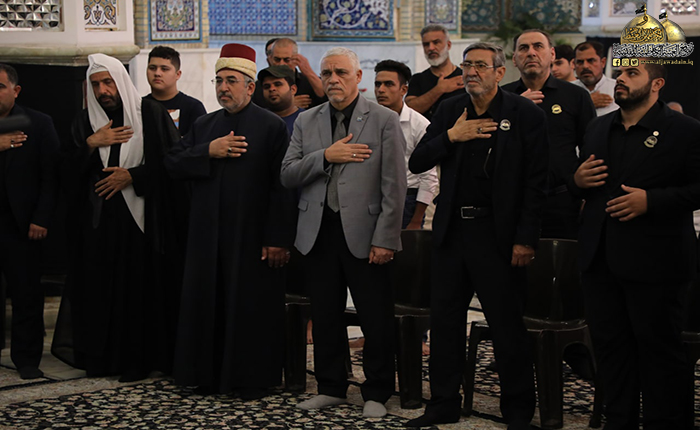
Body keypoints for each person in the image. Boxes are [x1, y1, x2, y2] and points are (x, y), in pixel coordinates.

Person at [406, 42, 548, 429]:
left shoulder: (524, 114)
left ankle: (517, 411)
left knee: (506, 326)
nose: (471, 72)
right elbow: (418, 160)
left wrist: (526, 238)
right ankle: (443, 404)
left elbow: (536, 182)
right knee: (445, 323)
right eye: (467, 65)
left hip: (499, 236)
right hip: (452, 233)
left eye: (480, 66)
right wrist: (453, 136)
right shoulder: (450, 110)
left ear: (500, 73)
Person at [570, 61, 700, 429]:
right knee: (611, 350)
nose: (621, 80)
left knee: (660, 353)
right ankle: (618, 421)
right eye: (620, 74)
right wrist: (576, 181)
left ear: (656, 84)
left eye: (632, 74)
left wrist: (652, 201)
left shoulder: (685, 130)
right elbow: (585, 188)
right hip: (601, 260)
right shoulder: (598, 128)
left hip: (657, 261)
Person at [280, 47, 406, 418]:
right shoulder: (306, 120)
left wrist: (386, 238)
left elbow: (395, 185)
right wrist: (325, 157)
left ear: (357, 77)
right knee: (325, 314)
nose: (333, 79)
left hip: (367, 233)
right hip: (317, 232)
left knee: (375, 316)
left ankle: (377, 391)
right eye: (326, 73)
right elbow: (287, 174)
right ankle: (331, 386)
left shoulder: (383, 119)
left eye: (341, 72)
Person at [165, 43, 297, 398]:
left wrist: (278, 238)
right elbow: (172, 162)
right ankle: (206, 376)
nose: (223, 88)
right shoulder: (205, 125)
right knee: (208, 303)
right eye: (219, 81)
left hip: (251, 238)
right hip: (207, 237)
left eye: (231, 81)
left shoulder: (271, 127)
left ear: (250, 87)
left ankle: (251, 379)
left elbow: (283, 186)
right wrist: (208, 151)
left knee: (250, 307)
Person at [52, 53, 184, 382]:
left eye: (108, 82)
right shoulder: (85, 121)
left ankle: (138, 361)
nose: (103, 91)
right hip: (98, 225)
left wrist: (133, 176)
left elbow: (173, 164)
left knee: (137, 292)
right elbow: (64, 173)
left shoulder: (149, 113)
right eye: (96, 84)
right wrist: (90, 144)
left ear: (121, 81)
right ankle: (103, 359)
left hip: (140, 223)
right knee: (101, 293)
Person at [502, 29, 595, 240]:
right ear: (514, 59)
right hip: (512, 202)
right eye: (523, 48)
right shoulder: (503, 98)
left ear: (552, 54)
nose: (531, 53)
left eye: (538, 46)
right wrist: (515, 109)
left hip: (563, 201)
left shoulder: (576, 95)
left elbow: (590, 148)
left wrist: (586, 195)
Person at [0, 64, 59, 380]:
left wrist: (41, 217)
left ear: (16, 90)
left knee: (26, 293)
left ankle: (26, 359)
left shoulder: (37, 122)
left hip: (21, 224)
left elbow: (51, 175)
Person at [373, 59, 438, 230]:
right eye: (378, 84)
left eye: (388, 84)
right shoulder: (368, 121)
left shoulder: (420, 125)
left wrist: (416, 219)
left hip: (407, 201)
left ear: (403, 89)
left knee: (404, 248)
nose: (381, 90)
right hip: (372, 198)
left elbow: (429, 177)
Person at [143, 46, 207, 137]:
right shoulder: (138, 106)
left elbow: (201, 143)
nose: (157, 73)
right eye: (152, 68)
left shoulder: (193, 108)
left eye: (164, 69)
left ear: (178, 74)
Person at [405, 24, 464, 121]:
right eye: (426, 44)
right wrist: (439, 89)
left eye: (436, 42)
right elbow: (410, 110)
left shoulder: (463, 78)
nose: (431, 48)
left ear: (448, 45)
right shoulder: (418, 79)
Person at [253, 38, 326, 110]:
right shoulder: (260, 85)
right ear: (270, 59)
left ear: (296, 59)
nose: (281, 64)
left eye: (287, 60)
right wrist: (288, 105)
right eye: (277, 59)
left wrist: (308, 72)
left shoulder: (308, 81)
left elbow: (326, 98)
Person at [572, 40, 619, 116]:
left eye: (591, 61)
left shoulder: (617, 88)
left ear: (603, 62)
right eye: (580, 62)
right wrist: (587, 103)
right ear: (574, 64)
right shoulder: (566, 91)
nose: (585, 66)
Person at [259, 65, 303, 136]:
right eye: (267, 86)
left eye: (277, 84)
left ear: (293, 89)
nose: (272, 89)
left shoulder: (307, 120)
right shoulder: (256, 119)